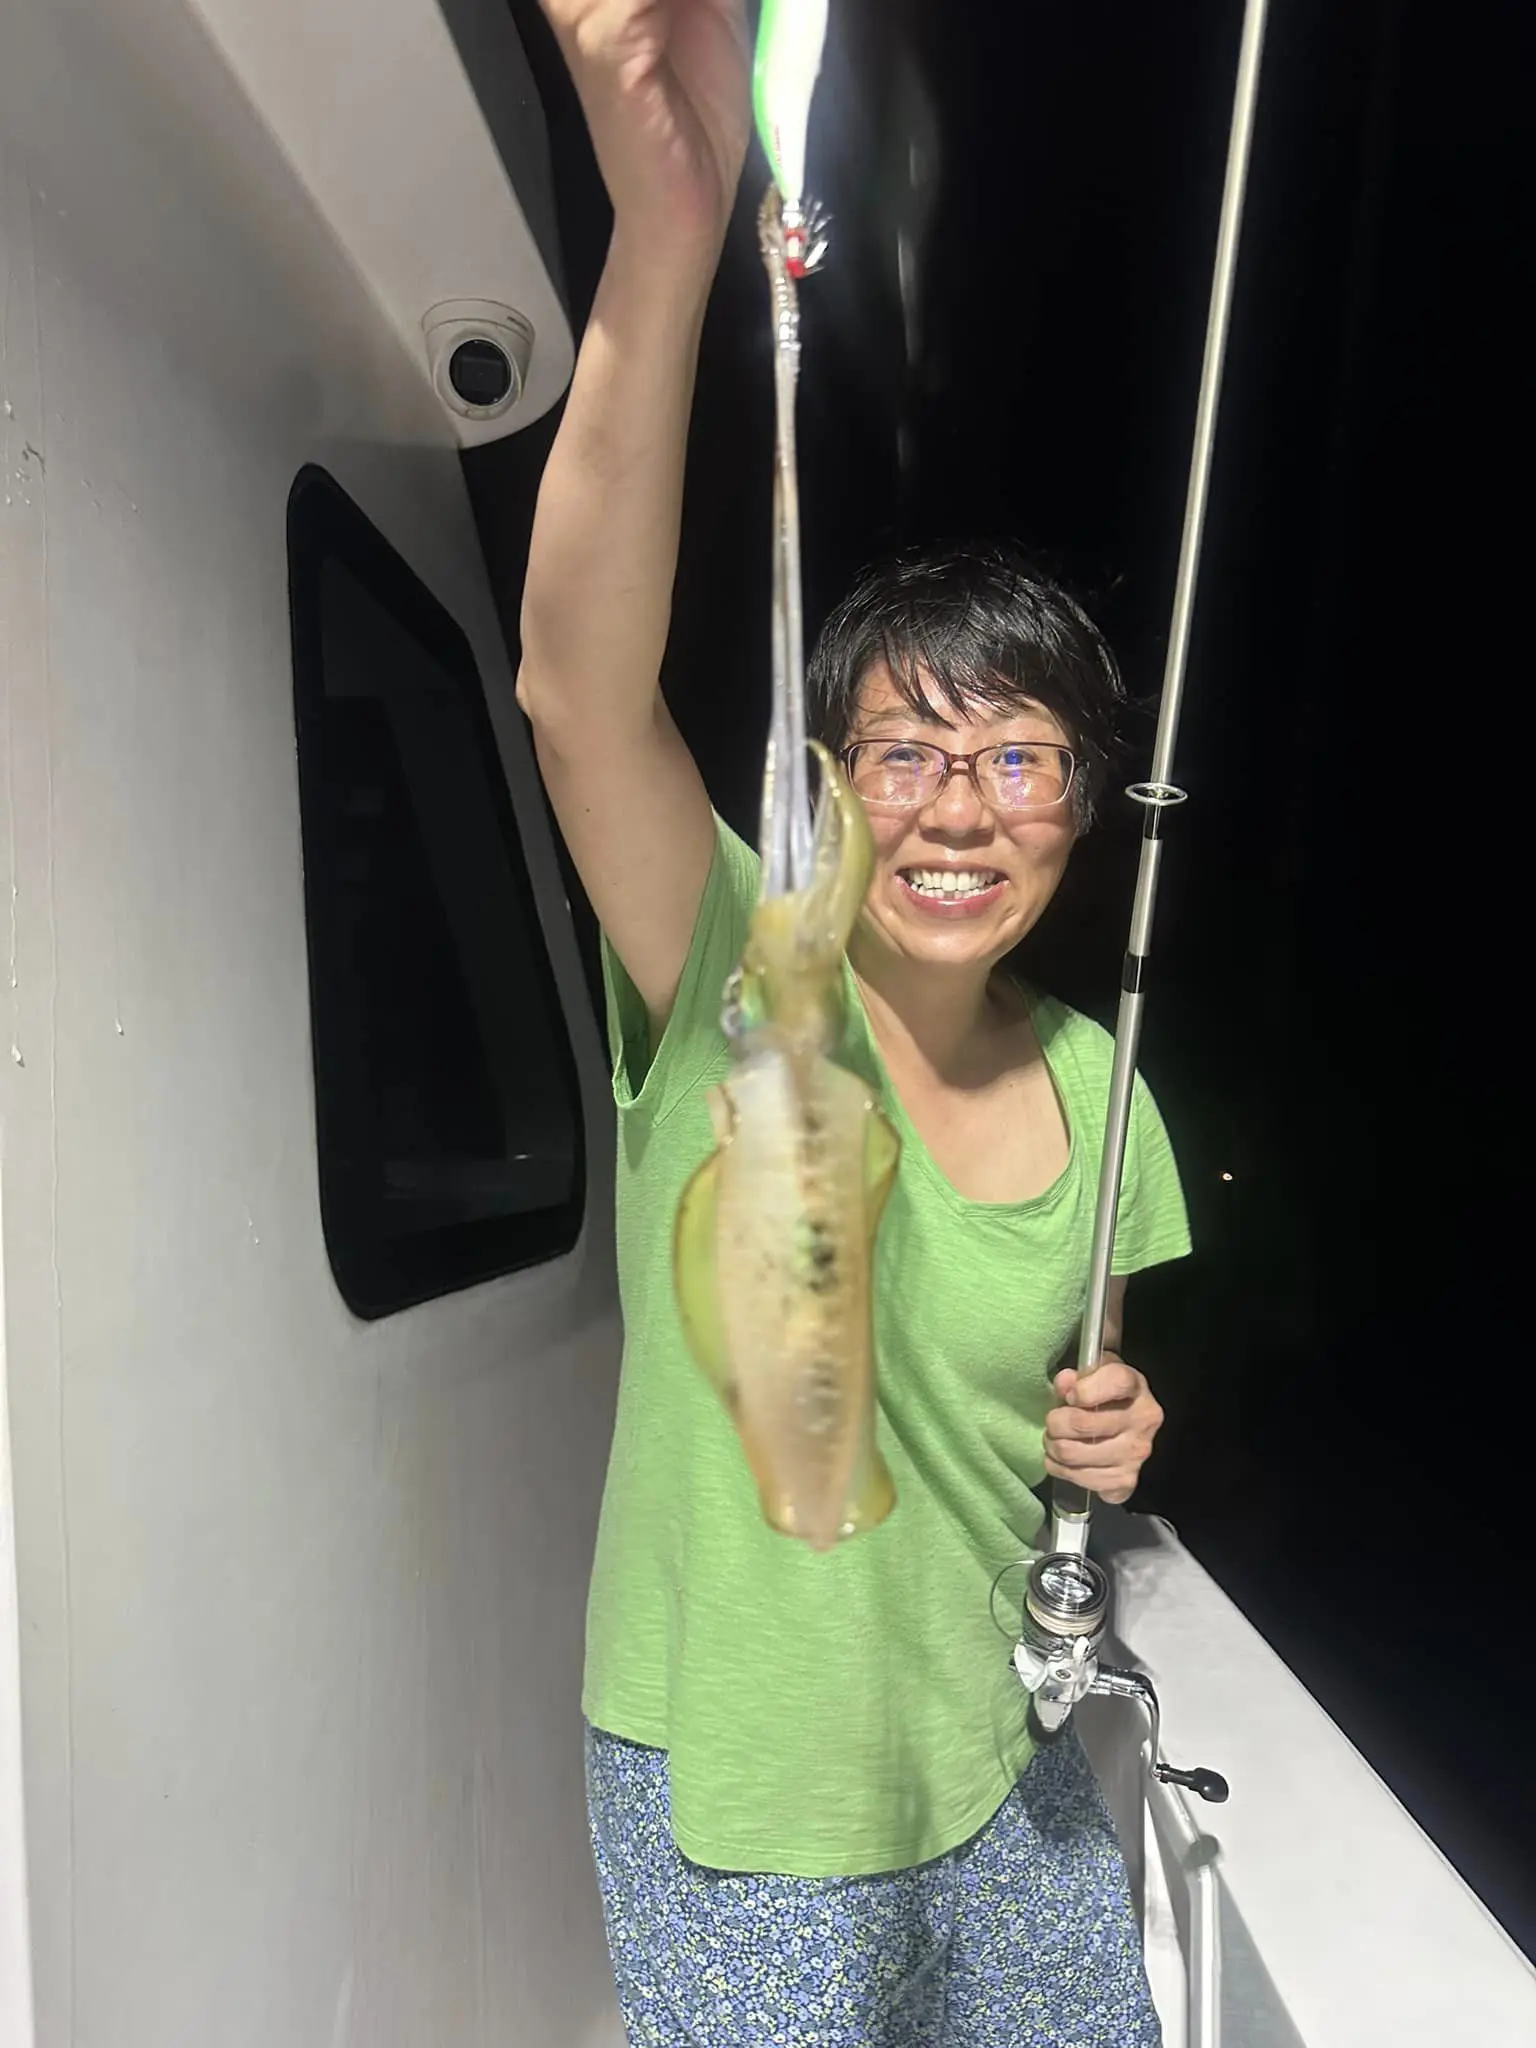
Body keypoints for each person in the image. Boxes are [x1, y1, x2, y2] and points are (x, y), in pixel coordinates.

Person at [519, 5, 1190, 2041]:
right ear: (827, 784)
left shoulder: (1099, 1080)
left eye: (1021, 757)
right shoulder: (742, 967)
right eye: (905, 753)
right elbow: (575, 693)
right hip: (752, 1795)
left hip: (997, 1759)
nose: (961, 807)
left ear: (1086, 804)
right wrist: (666, 237)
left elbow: (1066, 1399)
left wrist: (1111, 1432)